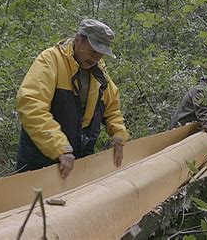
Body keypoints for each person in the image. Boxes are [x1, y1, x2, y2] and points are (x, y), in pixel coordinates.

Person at [16, 19, 129, 179]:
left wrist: (118, 134)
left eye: (100, 54)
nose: (96, 58)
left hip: (77, 159)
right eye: (92, 51)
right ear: (78, 40)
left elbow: (111, 108)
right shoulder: (50, 60)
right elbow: (31, 106)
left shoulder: (98, 70)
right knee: (34, 203)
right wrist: (59, 147)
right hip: (40, 158)